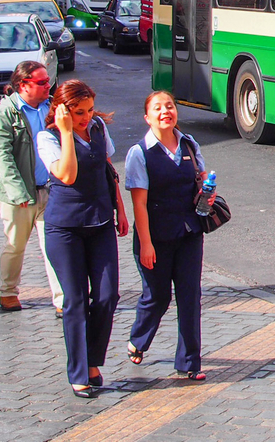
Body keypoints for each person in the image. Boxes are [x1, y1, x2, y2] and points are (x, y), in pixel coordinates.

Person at [37, 80, 129, 399]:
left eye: (89, 110)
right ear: (62, 109)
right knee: (75, 300)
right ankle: (79, 372)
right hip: (65, 228)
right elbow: (68, 175)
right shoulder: (47, 137)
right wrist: (65, 132)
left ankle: (93, 359)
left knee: (107, 296)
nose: (86, 117)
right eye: (78, 112)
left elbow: (107, 168)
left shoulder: (99, 127)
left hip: (100, 219)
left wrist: (120, 207)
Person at [124, 90, 214, 381]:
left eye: (170, 106)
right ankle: (138, 340)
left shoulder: (188, 144)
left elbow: (200, 180)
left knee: (190, 297)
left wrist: (207, 195)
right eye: (158, 108)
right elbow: (139, 203)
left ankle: (190, 363)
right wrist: (146, 244)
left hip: (189, 233)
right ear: (147, 117)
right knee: (158, 297)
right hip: (156, 237)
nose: (166, 112)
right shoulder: (139, 153)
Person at [0, 61, 65, 315]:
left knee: (54, 246)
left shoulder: (53, 107)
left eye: (48, 81)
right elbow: (3, 158)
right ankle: (8, 292)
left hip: (51, 190)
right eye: (42, 82)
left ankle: (62, 299)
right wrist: (18, 193)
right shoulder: (5, 114)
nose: (48, 86)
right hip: (19, 194)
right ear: (23, 85)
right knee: (15, 245)